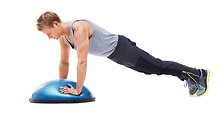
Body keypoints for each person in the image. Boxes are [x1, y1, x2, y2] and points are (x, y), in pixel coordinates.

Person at [36, 11, 210, 97]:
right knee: (150, 70)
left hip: (123, 48)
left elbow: (82, 62)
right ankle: (187, 76)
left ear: (56, 24)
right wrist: (61, 84)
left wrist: (78, 90)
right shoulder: (64, 39)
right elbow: (64, 63)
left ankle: (198, 74)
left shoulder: (78, 28)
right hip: (115, 55)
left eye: (49, 33)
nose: (49, 38)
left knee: (157, 66)